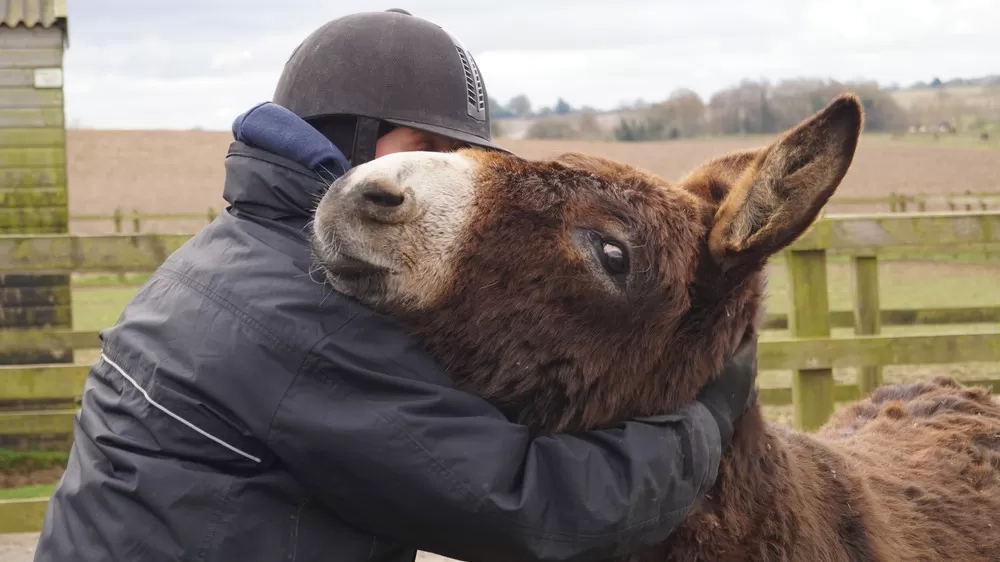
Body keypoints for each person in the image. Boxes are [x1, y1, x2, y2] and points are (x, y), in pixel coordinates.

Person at [32, 9, 758, 562]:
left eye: (461, 153)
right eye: (430, 147)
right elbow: (525, 506)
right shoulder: (307, 315)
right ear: (352, 133)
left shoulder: (236, 251)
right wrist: (703, 427)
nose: (446, 173)